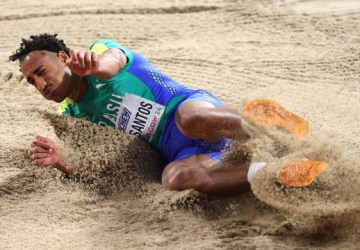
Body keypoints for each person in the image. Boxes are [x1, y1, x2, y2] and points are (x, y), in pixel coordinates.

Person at [9, 34, 328, 195]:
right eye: (31, 81)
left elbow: (111, 64)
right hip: (184, 153)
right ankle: (281, 173)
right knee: (173, 179)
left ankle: (271, 121)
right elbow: (104, 172)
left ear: (63, 58)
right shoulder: (71, 118)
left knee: (190, 121)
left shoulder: (102, 51)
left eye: (41, 71)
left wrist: (94, 66)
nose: (40, 84)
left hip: (192, 110)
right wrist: (63, 162)